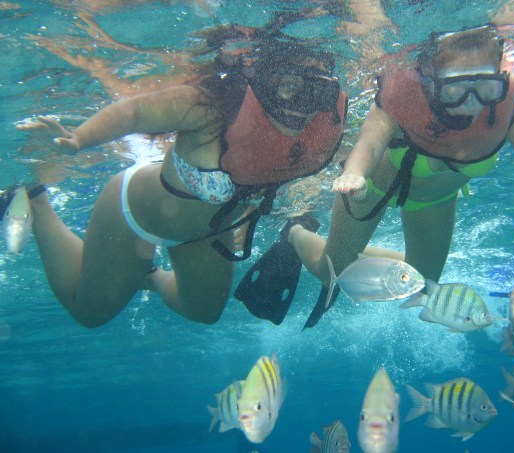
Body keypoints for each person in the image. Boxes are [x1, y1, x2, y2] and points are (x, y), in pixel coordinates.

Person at [242, 24, 514, 328]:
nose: (472, 103)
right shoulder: (402, 102)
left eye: (485, 87)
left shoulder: (506, 115)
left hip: (432, 199)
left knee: (421, 283)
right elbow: (367, 144)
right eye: (456, 91)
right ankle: (295, 231)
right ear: (432, 82)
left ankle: (351, 252)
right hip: (372, 188)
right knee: (334, 269)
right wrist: (355, 175)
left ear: (501, 79)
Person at [7, 30, 348, 328]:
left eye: (317, 92)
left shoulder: (306, 133)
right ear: (263, 76)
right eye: (291, 86)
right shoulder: (209, 106)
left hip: (204, 235)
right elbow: (135, 112)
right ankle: (35, 196)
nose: (302, 104)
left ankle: (149, 276)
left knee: (203, 312)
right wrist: (78, 140)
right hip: (135, 214)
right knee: (89, 314)